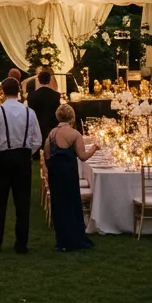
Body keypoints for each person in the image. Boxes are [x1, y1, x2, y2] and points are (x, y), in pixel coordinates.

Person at [0, 77, 42, 252]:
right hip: (22, 159)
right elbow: (37, 140)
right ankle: (21, 244)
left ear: (2, 92)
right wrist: (26, 153)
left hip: (2, 160)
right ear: (19, 92)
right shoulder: (29, 112)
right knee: (23, 203)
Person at [44, 103, 99, 252]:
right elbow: (82, 156)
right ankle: (75, 239)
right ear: (72, 117)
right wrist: (94, 148)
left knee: (59, 206)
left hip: (56, 173)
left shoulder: (52, 134)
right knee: (72, 204)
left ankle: (61, 240)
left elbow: (47, 155)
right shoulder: (75, 134)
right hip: (68, 173)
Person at [28, 70, 61, 145]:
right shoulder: (56, 95)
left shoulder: (32, 96)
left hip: (37, 127)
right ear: (49, 80)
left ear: (39, 80)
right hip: (52, 127)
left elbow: (31, 112)